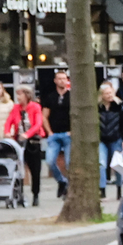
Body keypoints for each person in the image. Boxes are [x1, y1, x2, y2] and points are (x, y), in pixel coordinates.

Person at [3, 83, 48, 203]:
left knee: (35, 169)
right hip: (20, 141)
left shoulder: (35, 107)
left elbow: (38, 124)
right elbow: (9, 121)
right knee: (17, 168)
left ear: (27, 95)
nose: (18, 97)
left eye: (20, 94)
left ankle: (36, 194)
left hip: (33, 141)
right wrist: (7, 132)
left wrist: (27, 135)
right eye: (17, 95)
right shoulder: (16, 108)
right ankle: (18, 192)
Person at [46, 67, 75, 197]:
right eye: (59, 79)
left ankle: (69, 188)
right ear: (55, 81)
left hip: (68, 134)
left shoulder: (72, 97)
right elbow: (44, 116)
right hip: (54, 135)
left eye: (64, 79)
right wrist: (49, 132)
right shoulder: (50, 97)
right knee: (50, 161)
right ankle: (61, 181)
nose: (62, 81)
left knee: (69, 163)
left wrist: (73, 131)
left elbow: (76, 115)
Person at [96, 80, 123, 190]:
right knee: (102, 164)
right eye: (107, 93)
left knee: (118, 165)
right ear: (102, 95)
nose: (110, 95)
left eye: (111, 93)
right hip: (101, 140)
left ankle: (119, 188)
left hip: (116, 139)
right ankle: (102, 189)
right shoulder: (97, 108)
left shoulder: (119, 106)